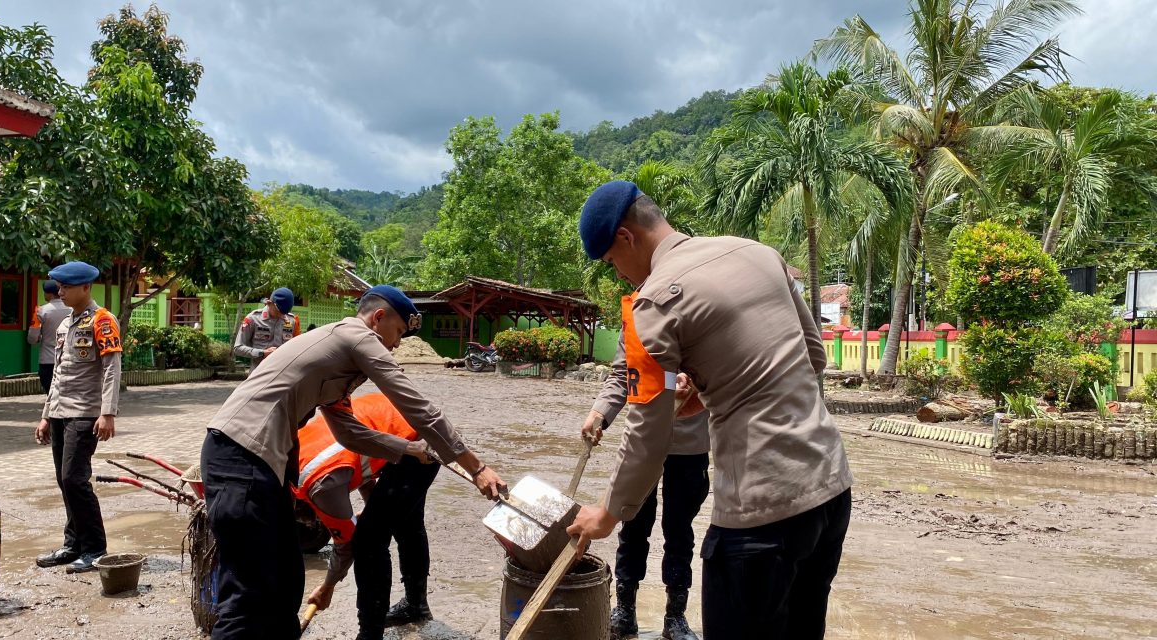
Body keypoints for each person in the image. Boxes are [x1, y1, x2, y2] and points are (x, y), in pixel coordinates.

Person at [567, 182, 853, 639]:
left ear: (626, 237)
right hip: (830, 488)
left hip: (761, 511)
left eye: (611, 262)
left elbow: (648, 430)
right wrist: (712, 389)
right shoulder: (757, 253)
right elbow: (814, 355)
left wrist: (607, 512)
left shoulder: (654, 303)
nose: (619, 274)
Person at [201, 284, 507, 639]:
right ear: (378, 318)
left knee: (286, 580)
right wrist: (477, 467)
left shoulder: (338, 356)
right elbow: (420, 408)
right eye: (398, 333)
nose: (396, 345)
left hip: (264, 465)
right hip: (241, 458)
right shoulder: (356, 337)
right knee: (249, 596)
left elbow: (349, 434)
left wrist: (406, 450)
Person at [582, 356, 709, 639]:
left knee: (679, 531)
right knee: (633, 524)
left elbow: (715, 371)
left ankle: (675, 617)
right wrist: (599, 412)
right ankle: (625, 610)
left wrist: (686, 382)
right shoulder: (634, 317)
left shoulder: (699, 313)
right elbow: (622, 374)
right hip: (643, 441)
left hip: (691, 446)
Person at [296, 393, 441, 637]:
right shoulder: (295, 457)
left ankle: (370, 633)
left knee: (368, 541)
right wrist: (376, 505)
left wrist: (327, 585)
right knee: (404, 523)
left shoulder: (320, 485)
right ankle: (416, 606)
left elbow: (347, 545)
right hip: (400, 425)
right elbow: (362, 460)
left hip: (419, 444)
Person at [32, 261, 122, 574]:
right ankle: (73, 544)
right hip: (59, 411)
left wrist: (108, 412)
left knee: (74, 478)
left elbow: (112, 368)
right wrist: (46, 415)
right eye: (59, 287)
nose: (61, 292)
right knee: (64, 480)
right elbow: (58, 373)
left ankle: (95, 548)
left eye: (67, 287)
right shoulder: (64, 324)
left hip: (85, 412)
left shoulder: (103, 320)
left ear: (86, 287)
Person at [233, 287, 301, 372]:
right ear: (269, 303)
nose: (282, 316)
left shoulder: (292, 321)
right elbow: (237, 348)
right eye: (278, 312)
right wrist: (262, 353)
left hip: (282, 375)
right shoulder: (253, 319)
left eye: (284, 313)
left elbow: (296, 348)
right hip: (258, 374)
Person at [28, 279, 72, 394]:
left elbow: (32, 338)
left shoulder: (41, 311)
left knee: (51, 393)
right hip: (69, 358)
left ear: (49, 294)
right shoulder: (72, 310)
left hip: (48, 361)